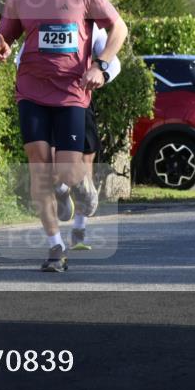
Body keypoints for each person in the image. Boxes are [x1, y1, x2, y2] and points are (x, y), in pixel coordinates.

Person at [0, 0, 128, 272]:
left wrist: (100, 64)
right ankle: (55, 248)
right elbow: (6, 35)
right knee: (39, 167)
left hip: (71, 92)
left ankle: (79, 186)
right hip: (31, 90)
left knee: (66, 171)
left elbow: (119, 28)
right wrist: (1, 46)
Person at [15, 25, 122, 250]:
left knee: (85, 159)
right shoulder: (40, 21)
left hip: (78, 98)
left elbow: (114, 62)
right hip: (44, 100)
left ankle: (79, 229)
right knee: (52, 163)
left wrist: (101, 75)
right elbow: (20, 59)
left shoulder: (91, 25)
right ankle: (61, 191)